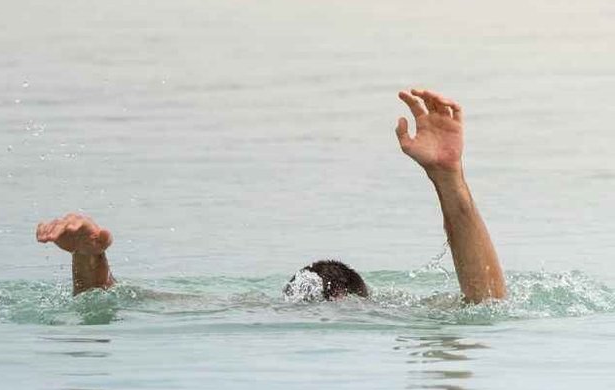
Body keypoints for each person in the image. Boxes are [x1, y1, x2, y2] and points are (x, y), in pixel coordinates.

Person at [35, 89, 507, 304]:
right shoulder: (389, 313)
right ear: (360, 301)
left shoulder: (244, 308)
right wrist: (451, 182)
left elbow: (109, 301)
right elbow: (487, 303)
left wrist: (89, 263)